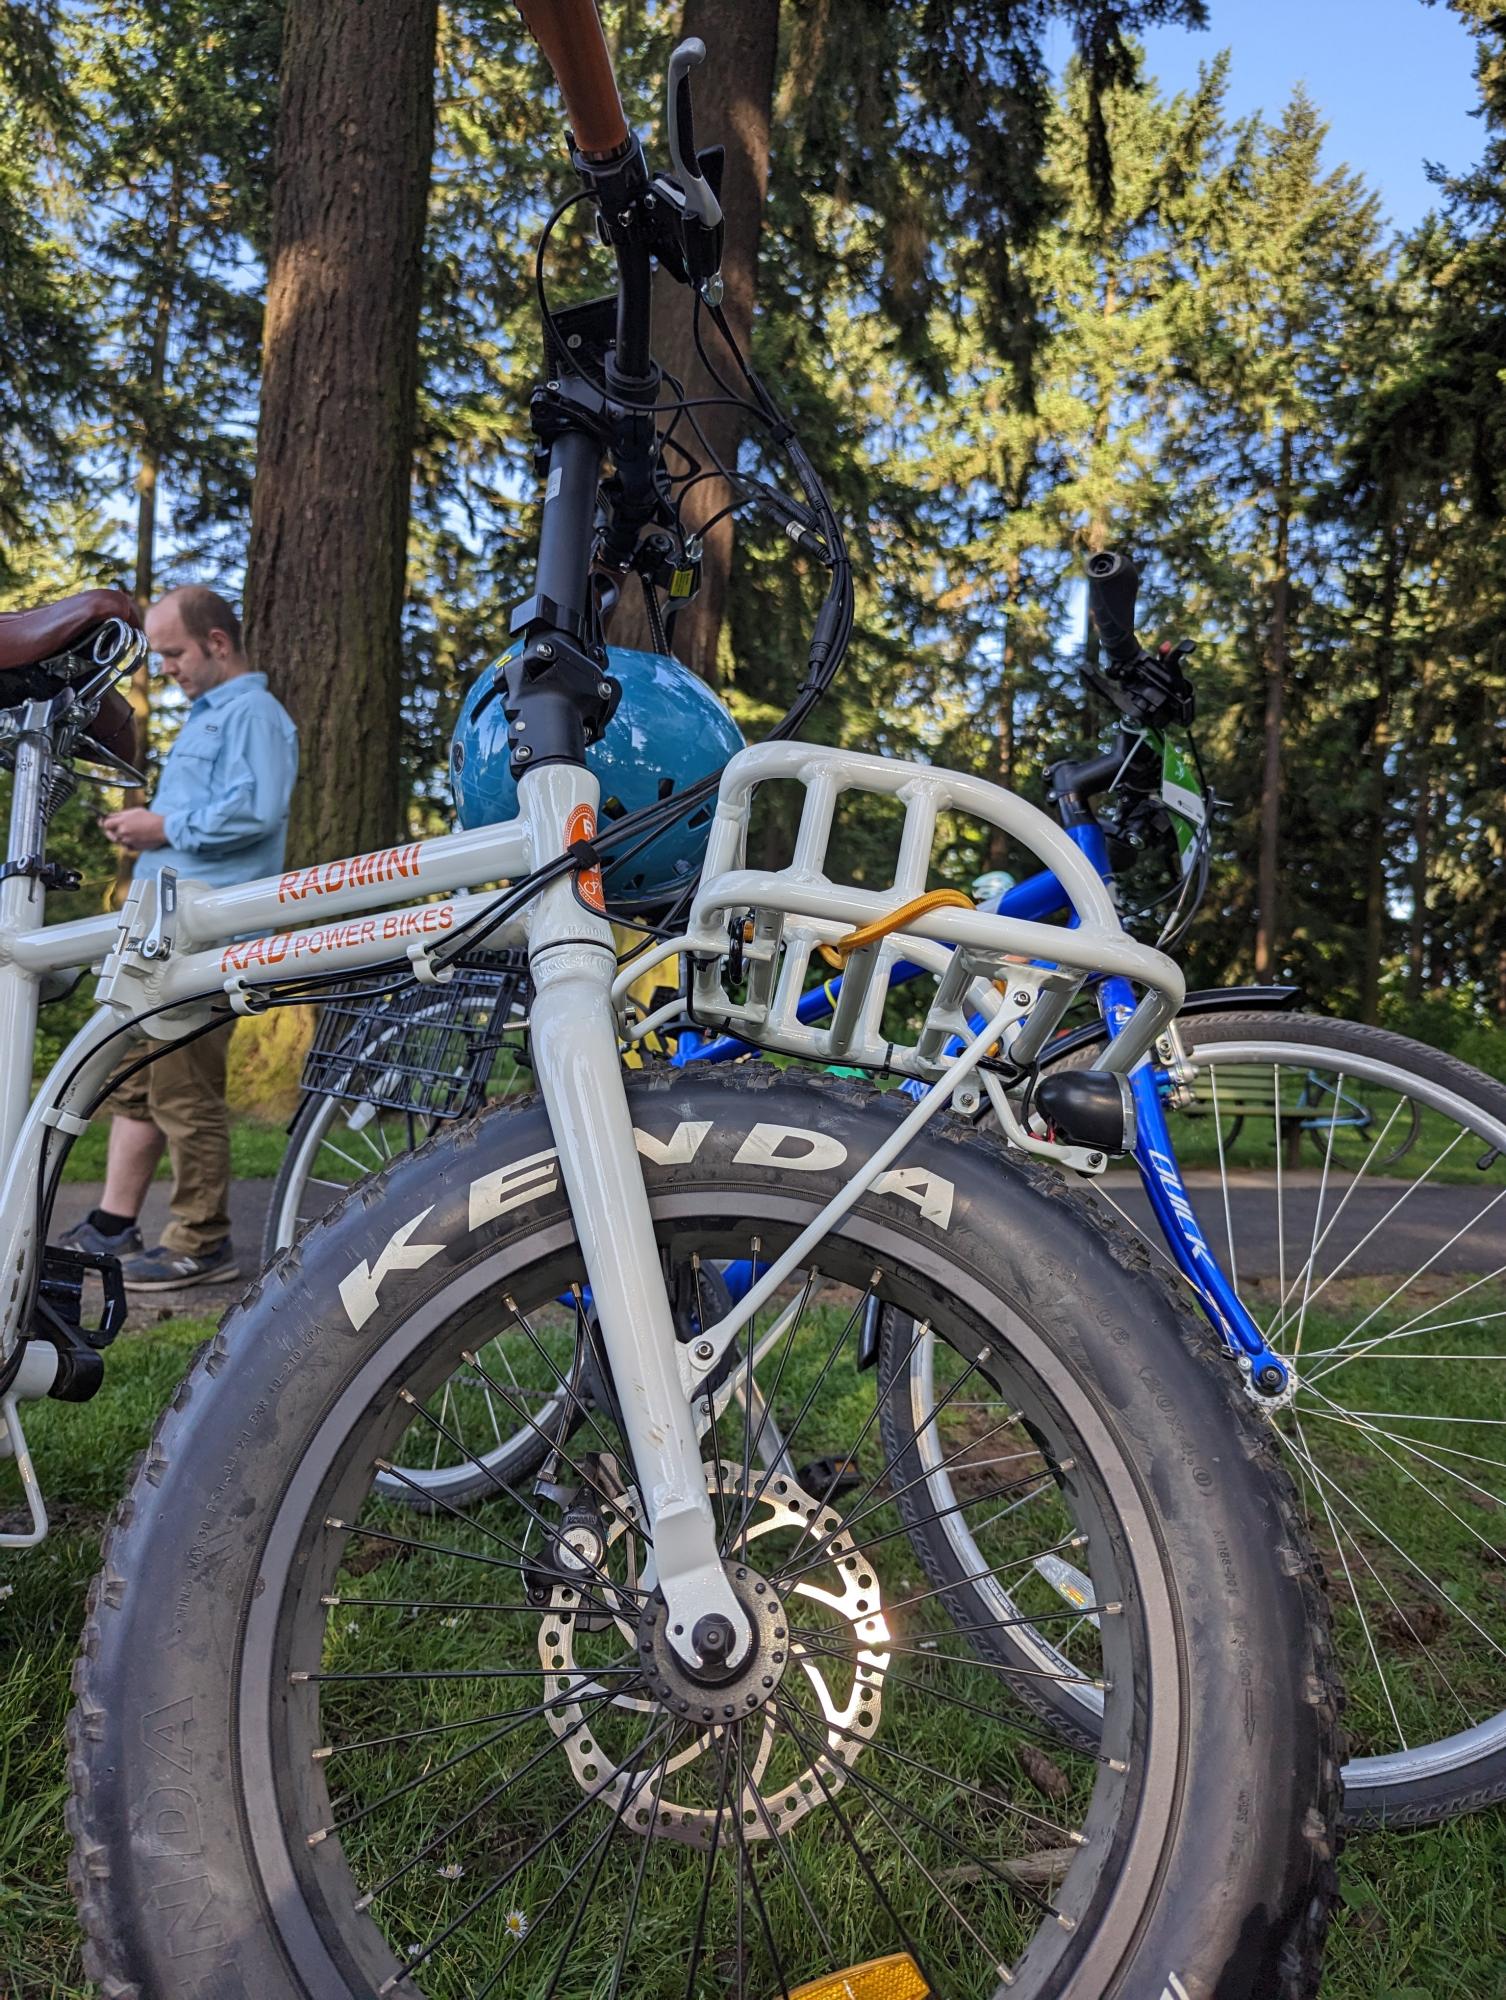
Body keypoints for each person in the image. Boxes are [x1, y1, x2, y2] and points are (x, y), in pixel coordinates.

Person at [62, 585, 299, 1289]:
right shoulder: (209, 717)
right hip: (162, 936)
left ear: (216, 644)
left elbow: (257, 812)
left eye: (173, 653)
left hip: (205, 937)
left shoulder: (253, 714)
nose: (164, 667)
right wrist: (149, 836)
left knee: (184, 1092)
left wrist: (159, 827)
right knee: (138, 1083)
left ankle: (202, 1241)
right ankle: (113, 1223)